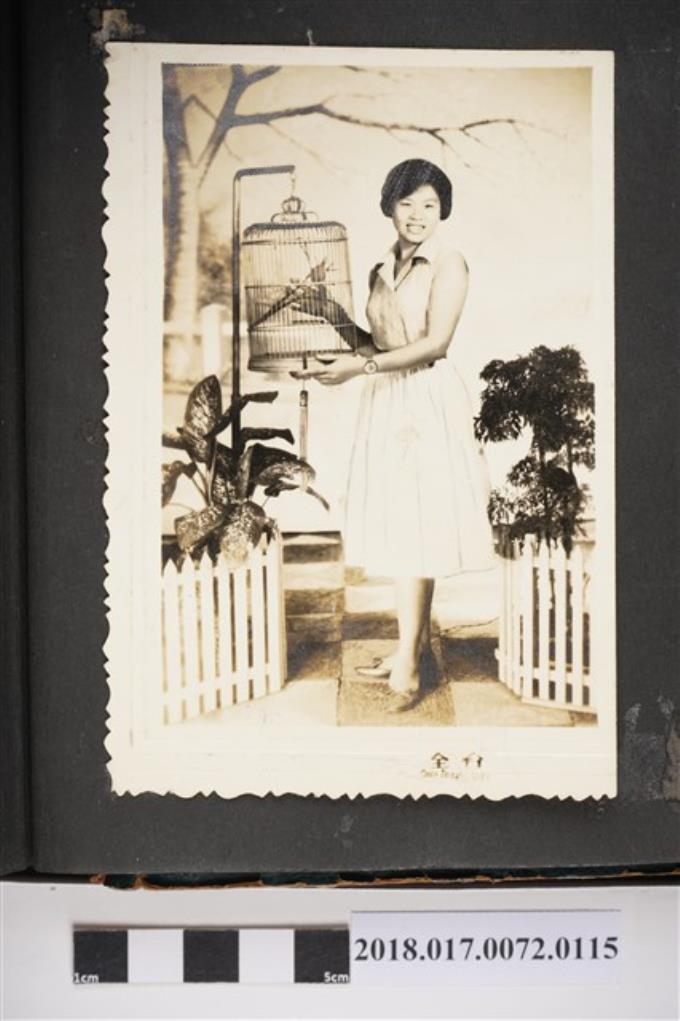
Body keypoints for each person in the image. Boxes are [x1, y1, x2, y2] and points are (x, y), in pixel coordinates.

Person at [293, 159, 495, 709]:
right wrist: (329, 315)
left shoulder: (449, 263)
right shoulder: (381, 268)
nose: (418, 215)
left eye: (430, 205)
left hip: (426, 399)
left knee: (417, 526)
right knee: (406, 523)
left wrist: (358, 369)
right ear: (389, 206)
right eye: (408, 204)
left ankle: (407, 660)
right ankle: (416, 647)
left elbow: (434, 344)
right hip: (386, 398)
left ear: (443, 210)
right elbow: (378, 344)